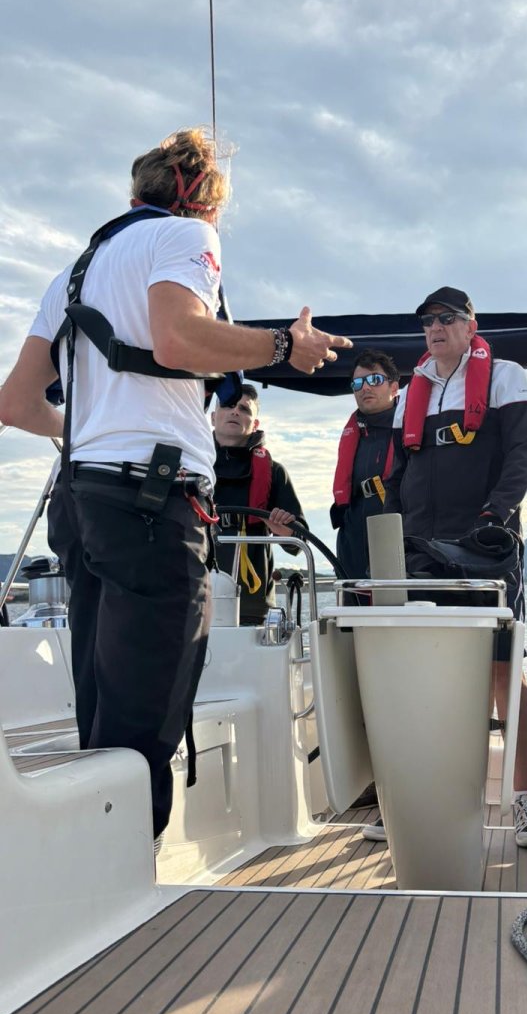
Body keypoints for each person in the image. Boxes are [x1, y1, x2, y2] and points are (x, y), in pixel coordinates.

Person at [0, 127, 351, 849]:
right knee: (146, 715)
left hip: (83, 501)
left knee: (103, 705)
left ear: (139, 191)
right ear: (205, 203)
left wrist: (89, 432)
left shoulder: (73, 273)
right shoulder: (188, 238)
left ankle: (92, 873)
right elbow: (178, 339)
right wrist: (285, 345)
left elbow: (17, 404)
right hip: (153, 505)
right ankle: (121, 874)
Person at [378, 285, 527, 848]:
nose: (435, 328)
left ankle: (525, 798)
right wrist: (393, 531)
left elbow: (523, 453)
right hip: (419, 549)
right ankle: (418, 795)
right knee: (422, 672)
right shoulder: (411, 392)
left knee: (503, 668)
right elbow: (399, 473)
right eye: (427, 321)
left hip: (485, 545)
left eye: (447, 318)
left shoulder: (506, 376)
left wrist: (495, 515)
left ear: (471, 326)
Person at [212, 384, 306, 625]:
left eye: (244, 409)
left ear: (255, 424)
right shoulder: (190, 466)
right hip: (191, 595)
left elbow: (299, 541)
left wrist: (284, 529)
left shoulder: (274, 472)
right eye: (228, 405)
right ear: (213, 417)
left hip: (252, 603)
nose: (235, 411)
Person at [330, 351, 400, 580]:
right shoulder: (354, 432)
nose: (366, 388)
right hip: (353, 532)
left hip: (396, 528)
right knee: (352, 596)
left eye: (375, 379)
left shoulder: (411, 429)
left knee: (393, 599)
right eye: (358, 383)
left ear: (394, 387)